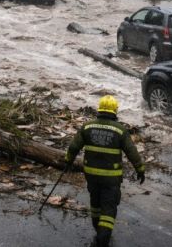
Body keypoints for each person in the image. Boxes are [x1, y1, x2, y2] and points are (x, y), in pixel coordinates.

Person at [65, 95, 145, 247]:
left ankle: (98, 232)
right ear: (115, 110)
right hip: (111, 179)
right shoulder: (120, 130)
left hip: (91, 176)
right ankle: (102, 240)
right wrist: (140, 169)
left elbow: (74, 147)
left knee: (95, 205)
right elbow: (132, 152)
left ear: (99, 109)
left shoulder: (87, 127)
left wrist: (67, 161)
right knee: (108, 209)